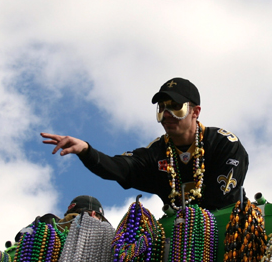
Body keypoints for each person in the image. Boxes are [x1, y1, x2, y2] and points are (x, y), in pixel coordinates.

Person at [41, 77, 249, 213]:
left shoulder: (224, 144)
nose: (167, 114)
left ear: (195, 112)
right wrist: (86, 150)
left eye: (175, 107)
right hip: (182, 243)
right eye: (162, 108)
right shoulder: (156, 153)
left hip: (230, 231)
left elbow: (221, 203)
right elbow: (119, 167)